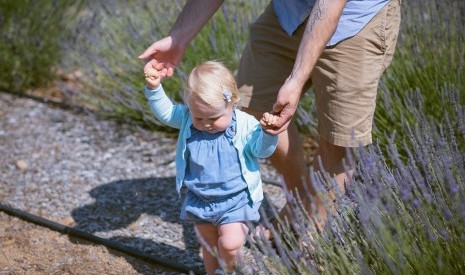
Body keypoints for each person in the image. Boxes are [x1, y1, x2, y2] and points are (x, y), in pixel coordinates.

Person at [139, 0, 401, 233]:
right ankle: (300, 202)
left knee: (339, 140)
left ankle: (314, 235)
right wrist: (178, 38)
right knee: (253, 111)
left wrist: (296, 79)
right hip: (290, 11)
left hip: (355, 20)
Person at [143, 60, 278, 275]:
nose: (206, 123)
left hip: (236, 200)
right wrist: (154, 88)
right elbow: (166, 113)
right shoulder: (188, 119)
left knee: (230, 244)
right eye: (199, 117)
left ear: (232, 102)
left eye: (213, 117)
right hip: (200, 197)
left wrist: (269, 135)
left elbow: (261, 151)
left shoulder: (245, 125)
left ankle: (229, 271)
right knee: (209, 246)